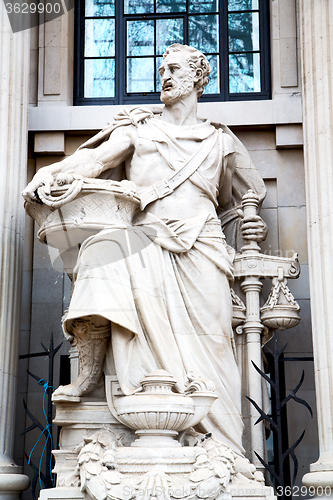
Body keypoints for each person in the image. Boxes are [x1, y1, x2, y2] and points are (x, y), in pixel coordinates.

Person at [22, 44, 267, 457]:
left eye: (173, 69)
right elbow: (94, 162)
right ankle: (89, 372)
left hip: (203, 245)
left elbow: (250, 194)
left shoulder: (221, 142)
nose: (164, 77)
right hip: (147, 237)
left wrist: (250, 220)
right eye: (161, 71)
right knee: (100, 251)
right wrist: (53, 173)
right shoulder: (138, 130)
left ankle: (224, 450)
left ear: (197, 78)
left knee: (214, 345)